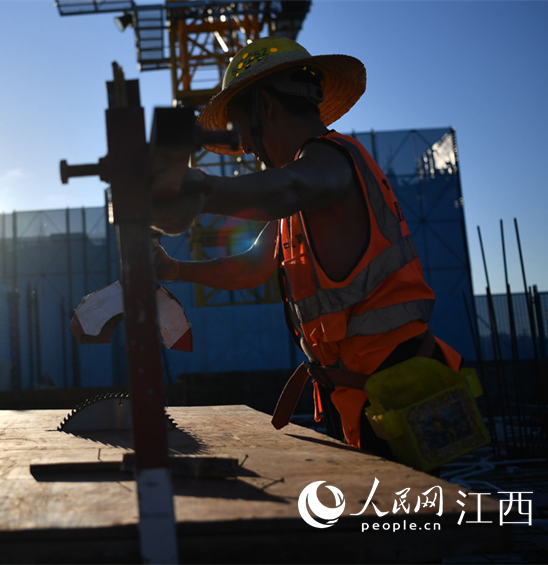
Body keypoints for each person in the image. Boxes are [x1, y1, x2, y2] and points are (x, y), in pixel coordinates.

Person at [150, 36, 463, 459]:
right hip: (360, 397)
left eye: (244, 137)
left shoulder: (333, 161)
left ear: (266, 108)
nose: (249, 153)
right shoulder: (298, 201)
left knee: (401, 524)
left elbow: (292, 185)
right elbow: (251, 267)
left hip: (400, 394)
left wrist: (200, 191)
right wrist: (174, 270)